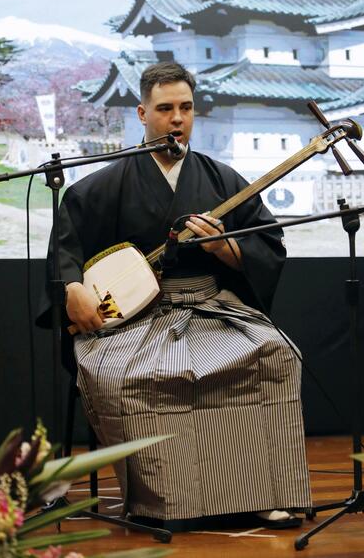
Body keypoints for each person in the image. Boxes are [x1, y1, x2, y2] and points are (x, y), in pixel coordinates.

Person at [37, 61, 311, 528]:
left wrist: (228, 249)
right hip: (136, 317)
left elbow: (267, 242)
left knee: (274, 355)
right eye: (165, 109)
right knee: (119, 374)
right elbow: (67, 247)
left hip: (210, 307)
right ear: (143, 114)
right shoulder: (103, 184)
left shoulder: (222, 178)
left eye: (186, 107)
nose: (177, 118)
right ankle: (162, 501)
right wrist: (73, 289)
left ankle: (264, 491)